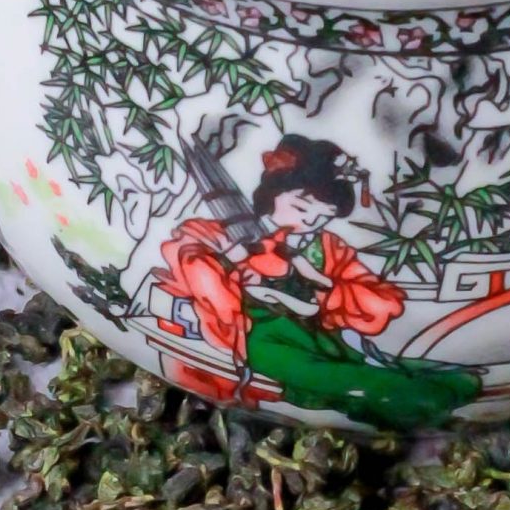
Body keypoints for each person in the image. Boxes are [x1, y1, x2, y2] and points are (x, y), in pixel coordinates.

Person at [157, 137, 480, 432]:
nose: (309, 222)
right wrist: (237, 266)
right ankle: (403, 400)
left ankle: (435, 387)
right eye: (301, 207)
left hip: (320, 336)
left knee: (457, 381)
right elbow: (193, 268)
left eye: (322, 216)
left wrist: (319, 280)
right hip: (259, 338)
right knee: (368, 386)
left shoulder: (326, 247)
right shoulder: (218, 233)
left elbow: (384, 301)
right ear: (272, 195)